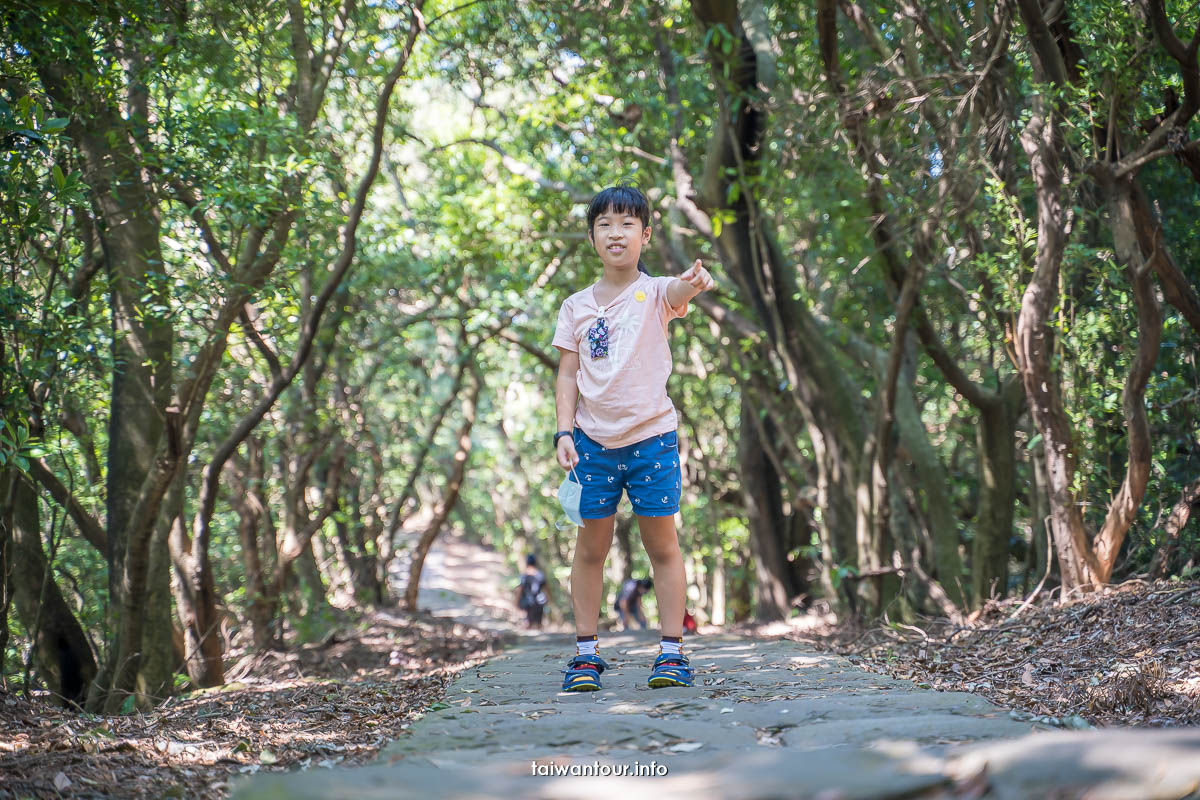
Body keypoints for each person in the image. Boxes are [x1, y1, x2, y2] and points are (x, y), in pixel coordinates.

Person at [551, 185, 715, 692]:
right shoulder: (575, 307)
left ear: (645, 235)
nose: (615, 233)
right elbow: (566, 373)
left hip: (652, 440)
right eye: (604, 224)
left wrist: (693, 283)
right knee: (590, 548)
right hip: (592, 444)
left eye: (627, 224)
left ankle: (670, 653)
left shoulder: (655, 292)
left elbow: (678, 294)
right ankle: (585, 655)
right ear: (592, 238)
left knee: (661, 545)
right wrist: (563, 430)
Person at [514, 554, 549, 630]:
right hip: (540, 602)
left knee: (529, 625)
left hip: (528, 602)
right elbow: (546, 588)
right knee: (538, 625)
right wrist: (549, 599)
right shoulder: (540, 574)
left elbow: (520, 589)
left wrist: (516, 601)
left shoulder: (524, 575)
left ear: (527, 562)